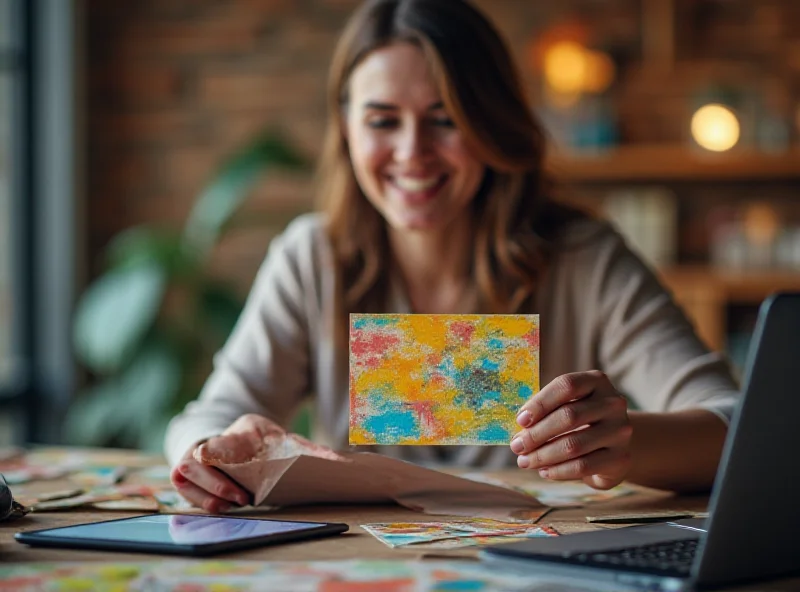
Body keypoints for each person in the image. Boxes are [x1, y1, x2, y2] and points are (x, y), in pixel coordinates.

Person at [165, 0, 739, 514]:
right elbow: (206, 419)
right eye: (383, 120)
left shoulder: (582, 258)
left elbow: (738, 422)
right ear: (345, 128)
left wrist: (622, 443)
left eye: (445, 120)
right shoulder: (312, 257)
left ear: (491, 122)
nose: (412, 153)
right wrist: (211, 451)